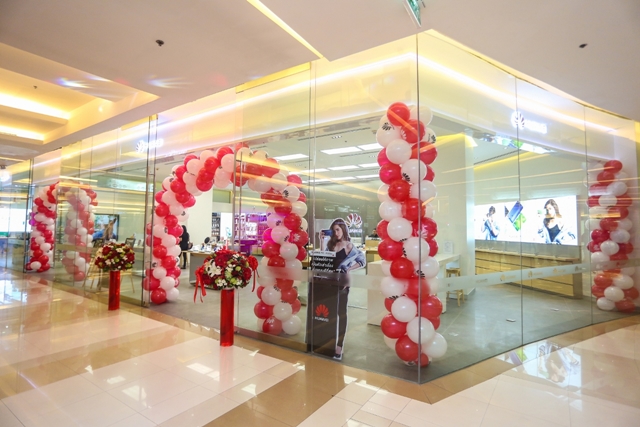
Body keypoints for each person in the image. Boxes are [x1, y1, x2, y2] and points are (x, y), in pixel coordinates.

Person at [325, 219, 366, 359]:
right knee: (330, 312)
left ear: (343, 229)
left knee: (341, 313)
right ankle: (330, 342)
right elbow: (324, 260)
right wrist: (321, 241)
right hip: (330, 281)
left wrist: (348, 269)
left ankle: (339, 345)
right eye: (334, 230)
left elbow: (362, 260)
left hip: (342, 282)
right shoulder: (330, 245)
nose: (336, 233)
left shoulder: (349, 246)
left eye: (338, 229)